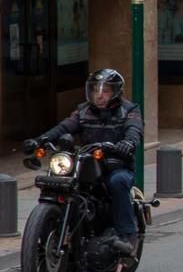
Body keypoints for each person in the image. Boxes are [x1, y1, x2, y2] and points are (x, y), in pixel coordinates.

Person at [23, 69, 142, 254]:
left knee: (117, 182)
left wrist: (128, 143)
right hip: (87, 163)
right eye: (95, 90)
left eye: (105, 90)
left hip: (116, 165)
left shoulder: (129, 110)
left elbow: (134, 129)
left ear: (116, 92)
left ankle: (127, 235)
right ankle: (52, 226)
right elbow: (64, 127)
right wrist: (40, 140)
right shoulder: (83, 111)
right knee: (61, 181)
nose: (99, 95)